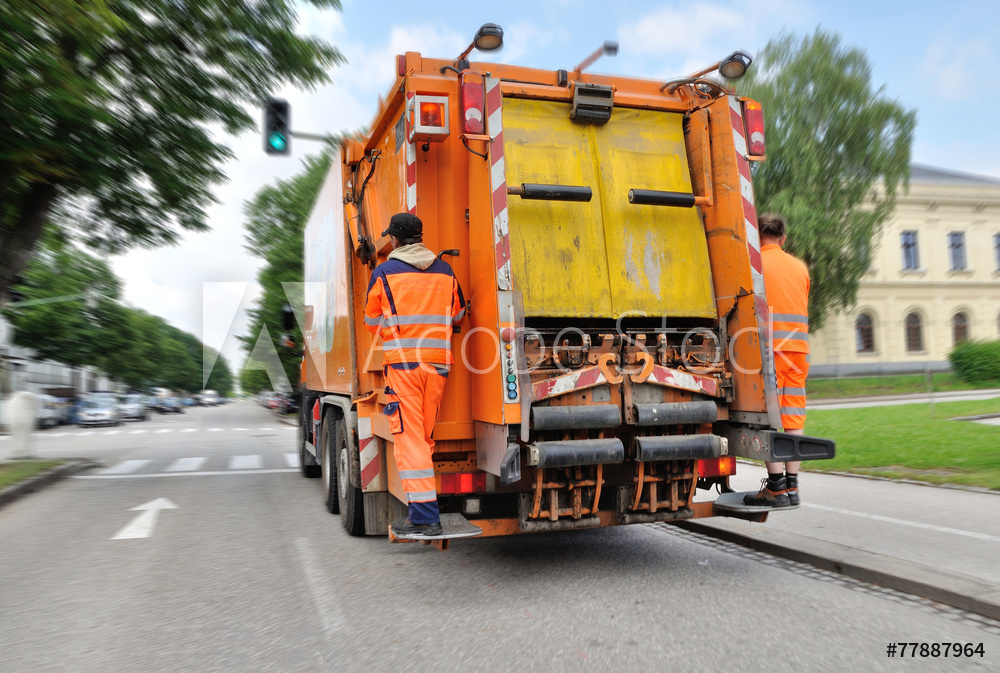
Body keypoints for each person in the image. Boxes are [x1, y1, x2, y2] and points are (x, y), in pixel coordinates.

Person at [364, 212, 466, 537]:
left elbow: (370, 321)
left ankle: (424, 517)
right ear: (420, 237)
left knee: (410, 440)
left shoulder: (384, 272)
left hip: (404, 367)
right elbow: (459, 312)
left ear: (393, 240)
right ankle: (423, 510)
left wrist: (394, 330)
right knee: (423, 437)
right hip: (438, 366)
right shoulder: (446, 271)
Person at [745, 214, 810, 508]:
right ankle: (793, 488)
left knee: (769, 417)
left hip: (768, 353)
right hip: (797, 350)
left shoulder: (753, 266)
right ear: (783, 238)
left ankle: (776, 488)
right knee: (793, 416)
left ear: (759, 237)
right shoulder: (799, 268)